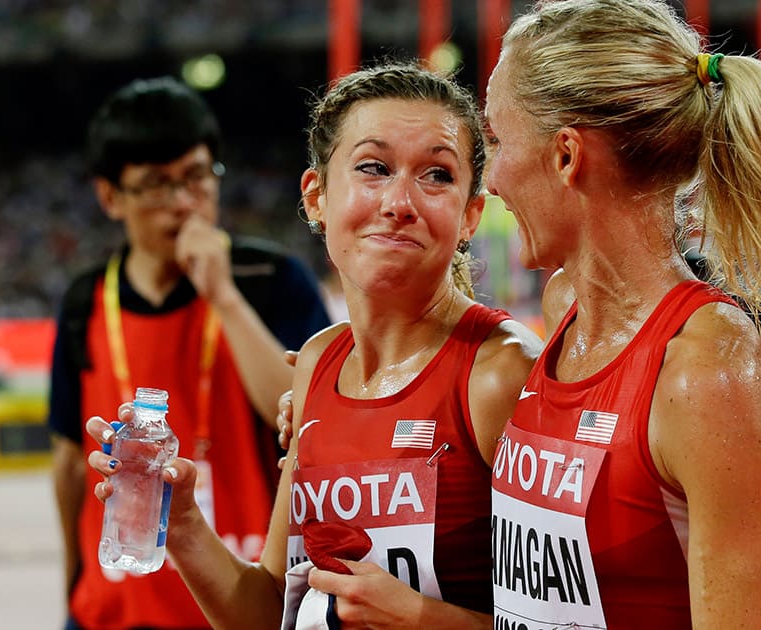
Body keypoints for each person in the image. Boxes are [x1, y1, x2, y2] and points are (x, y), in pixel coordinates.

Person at [86, 63, 542, 629]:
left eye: (437, 176)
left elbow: (584, 618)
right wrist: (179, 524)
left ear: (472, 213)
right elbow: (264, 613)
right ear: (316, 196)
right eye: (373, 168)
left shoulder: (502, 373)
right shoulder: (317, 365)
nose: (400, 201)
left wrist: (422, 619)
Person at [482, 1, 761, 627]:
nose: (491, 179)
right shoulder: (566, 309)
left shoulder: (705, 373)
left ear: (566, 157)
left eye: (497, 140)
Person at [49, 76, 331, 630]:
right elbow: (68, 464)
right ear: (111, 196)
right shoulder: (86, 300)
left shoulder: (271, 279)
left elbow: (309, 420)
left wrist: (223, 297)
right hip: (116, 603)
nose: (182, 202)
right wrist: (73, 584)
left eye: (197, 177)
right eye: (156, 184)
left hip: (239, 598)